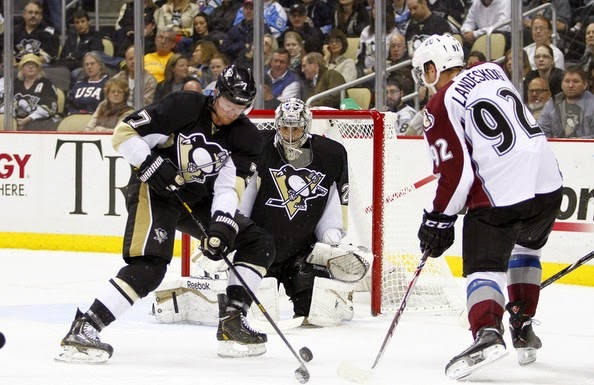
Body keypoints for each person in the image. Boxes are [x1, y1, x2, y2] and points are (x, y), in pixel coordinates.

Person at [55, 65, 276, 363]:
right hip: (153, 191)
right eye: (228, 104)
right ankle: (85, 327)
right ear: (217, 94)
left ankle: (232, 321)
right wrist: (150, 163)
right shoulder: (183, 105)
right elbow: (124, 133)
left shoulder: (246, 137)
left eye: (241, 107)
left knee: (257, 241)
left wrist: (222, 226)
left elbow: (227, 187)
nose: (233, 112)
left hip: (194, 199)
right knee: (151, 266)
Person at [411, 34, 563, 379]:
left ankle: (487, 332)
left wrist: (439, 218)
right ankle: (523, 327)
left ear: (433, 68)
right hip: (549, 185)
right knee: (527, 249)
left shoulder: (438, 105)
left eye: (424, 71)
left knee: (484, 267)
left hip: (502, 195)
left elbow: (456, 173)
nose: (423, 79)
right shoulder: (494, 72)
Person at [239, 98, 363, 326]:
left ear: (307, 126)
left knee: (318, 315)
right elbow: (244, 196)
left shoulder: (330, 154)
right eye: (284, 128)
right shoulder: (258, 146)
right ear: (276, 125)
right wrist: (234, 231)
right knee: (255, 318)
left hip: (301, 251)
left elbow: (332, 201)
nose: (289, 134)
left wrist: (332, 236)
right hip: (260, 248)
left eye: (295, 128)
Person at [538, 65, 594, 138]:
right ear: (561, 84)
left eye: (576, 81)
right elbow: (541, 133)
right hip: (556, 148)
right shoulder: (551, 104)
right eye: (567, 81)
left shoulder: (592, 104)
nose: (570, 85)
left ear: (585, 84)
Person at [9, 53, 59, 131]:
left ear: (39, 68)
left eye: (34, 64)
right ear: (21, 69)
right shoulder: (14, 84)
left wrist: (27, 120)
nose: (31, 67)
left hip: (40, 123)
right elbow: (6, 104)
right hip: (15, 122)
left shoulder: (46, 84)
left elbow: (51, 106)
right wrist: (14, 121)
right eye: (27, 65)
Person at [59, 8, 105, 82]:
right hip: (68, 65)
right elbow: (63, 54)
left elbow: (96, 54)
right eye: (77, 22)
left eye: (83, 21)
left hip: (84, 66)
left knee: (75, 73)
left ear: (88, 22)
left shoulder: (95, 35)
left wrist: (75, 56)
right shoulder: (71, 36)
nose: (80, 25)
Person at [14, 0, 60, 64]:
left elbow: (48, 56)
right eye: (30, 12)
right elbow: (5, 51)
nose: (33, 15)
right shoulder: (14, 31)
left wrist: (26, 64)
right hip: (17, 68)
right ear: (24, 14)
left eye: (36, 13)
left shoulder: (50, 32)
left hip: (42, 68)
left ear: (41, 16)